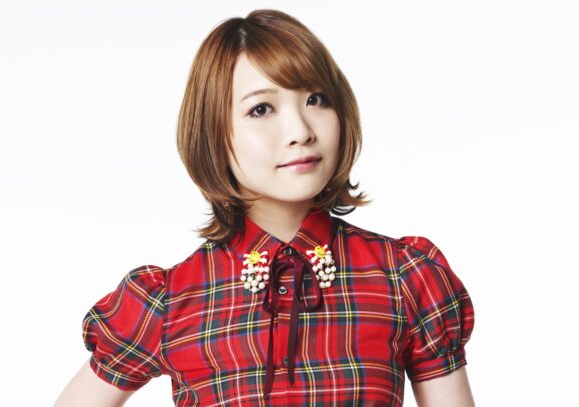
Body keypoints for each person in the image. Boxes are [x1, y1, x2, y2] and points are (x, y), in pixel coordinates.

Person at [55, 9, 475, 406]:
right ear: (213, 134)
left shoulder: (405, 278)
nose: (300, 131)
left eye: (316, 99)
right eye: (261, 109)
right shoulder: (172, 301)